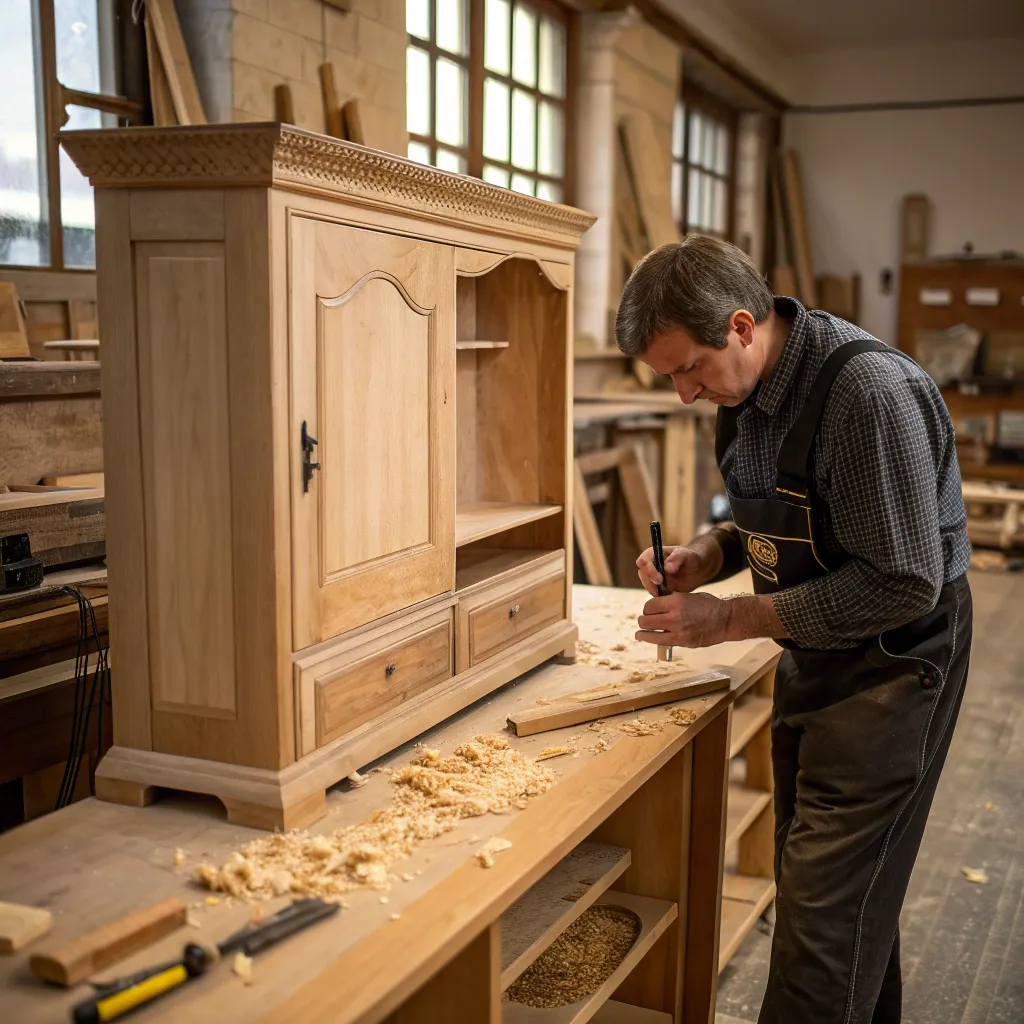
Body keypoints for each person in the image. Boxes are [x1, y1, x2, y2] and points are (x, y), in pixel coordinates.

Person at [616, 236, 972, 1024]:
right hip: (815, 646)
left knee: (822, 919)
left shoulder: (864, 396)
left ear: (743, 326)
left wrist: (730, 618)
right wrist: (704, 555)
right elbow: (781, 521)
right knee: (835, 896)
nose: (683, 394)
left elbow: (902, 579)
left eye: (689, 369)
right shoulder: (741, 393)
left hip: (896, 658)